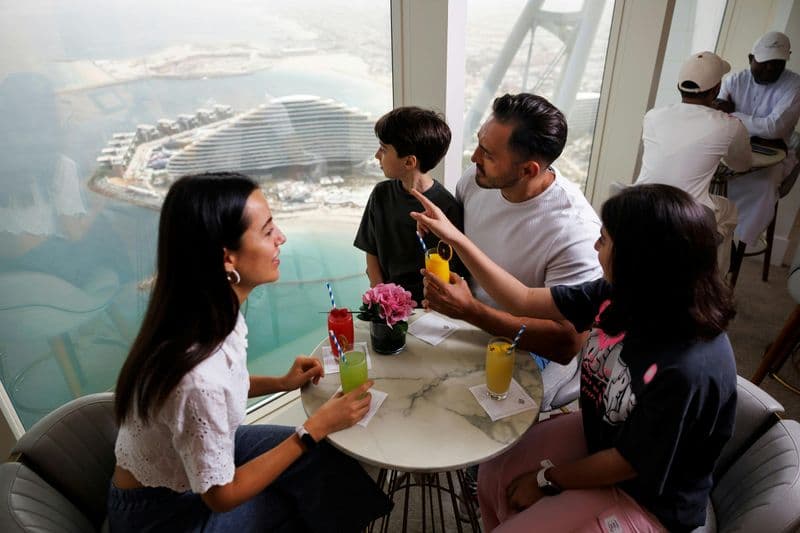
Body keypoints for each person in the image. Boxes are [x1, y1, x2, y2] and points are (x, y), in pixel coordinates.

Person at [410, 183, 737, 532]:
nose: (596, 246)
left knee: (521, 498)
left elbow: (627, 464)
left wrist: (547, 479)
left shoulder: (686, 367)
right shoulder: (622, 294)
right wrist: (455, 237)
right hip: (603, 437)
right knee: (495, 473)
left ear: (640, 261)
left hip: (648, 500)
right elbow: (522, 298)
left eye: (605, 239)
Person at [109, 173, 391, 532]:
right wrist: (312, 428)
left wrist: (282, 382)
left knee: (325, 460)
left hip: (196, 459)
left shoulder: (206, 312)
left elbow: (216, 391)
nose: (282, 238)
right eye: (268, 230)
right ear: (227, 258)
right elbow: (221, 496)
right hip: (163, 513)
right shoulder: (197, 372)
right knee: (291, 497)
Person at [423, 93, 602, 411]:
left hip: (530, 347)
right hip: (471, 320)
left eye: (488, 153)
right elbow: (463, 244)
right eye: (479, 143)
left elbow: (565, 344)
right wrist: (440, 238)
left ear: (528, 170)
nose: (474, 156)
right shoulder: (478, 181)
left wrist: (473, 313)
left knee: (466, 413)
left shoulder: (575, 232)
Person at [636, 51, 751, 269]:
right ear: (717, 90)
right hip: (686, 217)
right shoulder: (729, 125)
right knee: (730, 211)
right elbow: (741, 164)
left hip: (641, 205)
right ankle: (713, 280)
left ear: (679, 86)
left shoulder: (652, 115)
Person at [354, 106, 465, 304]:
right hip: (385, 302)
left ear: (409, 162)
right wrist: (380, 294)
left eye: (384, 149)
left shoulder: (446, 208)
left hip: (428, 308)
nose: (377, 155)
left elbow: (449, 272)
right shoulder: (380, 194)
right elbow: (371, 251)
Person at [714, 31, 800, 250]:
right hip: (733, 148)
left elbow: (774, 128)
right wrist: (748, 122)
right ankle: (712, 232)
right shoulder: (734, 80)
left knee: (764, 185)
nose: (770, 68)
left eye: (777, 63)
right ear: (751, 58)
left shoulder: (794, 85)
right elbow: (717, 119)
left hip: (775, 155)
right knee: (708, 176)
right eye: (764, 63)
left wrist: (734, 115)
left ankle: (738, 244)